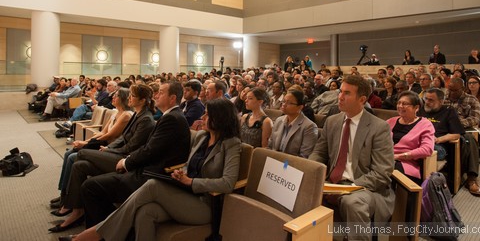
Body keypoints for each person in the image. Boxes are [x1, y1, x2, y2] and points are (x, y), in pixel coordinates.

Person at [62, 98, 242, 241]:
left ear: (220, 118)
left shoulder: (231, 144)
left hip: (205, 204)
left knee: (153, 185)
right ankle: (99, 234)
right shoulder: (202, 137)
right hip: (185, 193)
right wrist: (182, 173)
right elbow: (189, 164)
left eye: (207, 115)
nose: (202, 118)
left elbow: (228, 183)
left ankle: (95, 234)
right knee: (145, 212)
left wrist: (192, 181)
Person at [309, 76, 395, 241]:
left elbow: (382, 173)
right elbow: (319, 153)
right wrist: (313, 173)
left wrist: (350, 188)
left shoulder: (379, 127)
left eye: (347, 93)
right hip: (332, 182)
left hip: (364, 187)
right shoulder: (332, 122)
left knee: (352, 202)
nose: (340, 96)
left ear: (362, 99)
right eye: (340, 91)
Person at [50, 88, 133, 213]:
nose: (113, 98)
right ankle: (64, 193)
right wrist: (87, 141)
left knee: (73, 157)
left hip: (109, 148)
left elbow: (109, 135)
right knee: (68, 153)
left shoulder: (126, 115)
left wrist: (84, 143)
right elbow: (103, 132)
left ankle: (68, 199)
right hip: (102, 144)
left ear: (123, 99)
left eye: (116, 96)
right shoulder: (115, 112)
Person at [444, 77, 480, 196]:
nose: (451, 93)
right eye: (449, 90)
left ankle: (472, 178)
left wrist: (457, 123)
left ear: (462, 89)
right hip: (445, 129)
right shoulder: (445, 99)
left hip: (464, 129)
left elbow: (475, 118)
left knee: (470, 140)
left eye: (454, 90)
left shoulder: (472, 99)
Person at [386, 91, 434, 184]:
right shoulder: (390, 121)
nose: (400, 106)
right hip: (385, 159)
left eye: (405, 104)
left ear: (416, 107)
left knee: (385, 173)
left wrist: (399, 156)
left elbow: (427, 149)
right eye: (399, 103)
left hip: (405, 164)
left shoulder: (425, 124)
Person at [268, 89, 318, 158]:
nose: (284, 105)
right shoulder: (279, 120)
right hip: (274, 160)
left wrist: (284, 165)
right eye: (283, 101)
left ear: (300, 107)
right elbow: (270, 145)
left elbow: (304, 156)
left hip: (291, 165)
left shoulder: (309, 126)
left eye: (289, 103)